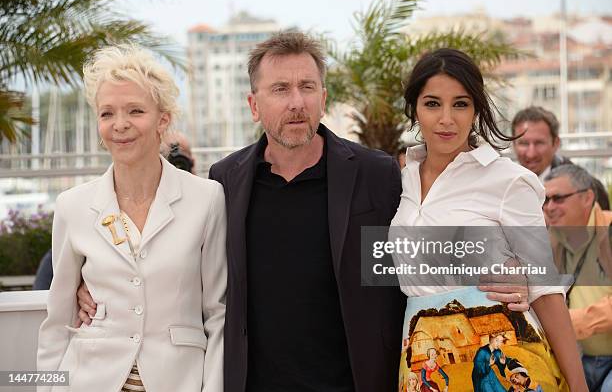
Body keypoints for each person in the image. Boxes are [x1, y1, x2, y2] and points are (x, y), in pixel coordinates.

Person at [75, 32, 533, 391]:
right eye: (280, 89)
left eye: (306, 87)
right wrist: (88, 282)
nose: (296, 101)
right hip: (252, 384)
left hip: (357, 382)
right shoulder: (223, 181)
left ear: (323, 98)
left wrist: (517, 271)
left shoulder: (378, 174)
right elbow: (176, 265)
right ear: (254, 105)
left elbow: (415, 249)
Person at [392, 48, 587, 391]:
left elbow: (544, 288)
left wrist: (579, 386)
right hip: (422, 358)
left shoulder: (508, 180)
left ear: (477, 109)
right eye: (432, 103)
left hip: (503, 353)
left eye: (461, 104)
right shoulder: (404, 176)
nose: (446, 119)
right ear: (415, 109)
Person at [37, 45, 227, 391]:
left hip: (179, 381)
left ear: (163, 119)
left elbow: (219, 314)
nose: (120, 125)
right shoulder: (72, 206)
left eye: (135, 111)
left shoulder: (207, 199)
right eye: (107, 113)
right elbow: (58, 320)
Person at [543, 164, 612, 392]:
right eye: (546, 200)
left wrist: (566, 323)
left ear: (587, 198)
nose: (550, 207)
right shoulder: (547, 241)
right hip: (579, 358)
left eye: (559, 198)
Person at [511, 106, 609, 210]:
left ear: (556, 143)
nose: (531, 153)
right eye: (524, 143)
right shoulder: (504, 183)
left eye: (539, 143)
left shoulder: (587, 189)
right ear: (513, 144)